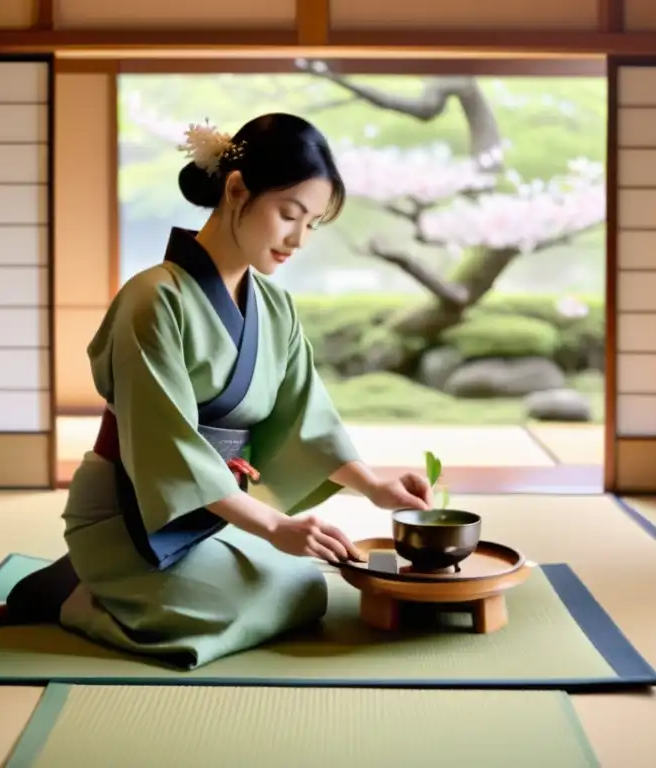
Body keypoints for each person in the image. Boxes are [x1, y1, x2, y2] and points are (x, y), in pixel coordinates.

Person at [57, 112, 434, 670]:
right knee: (267, 596)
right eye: (289, 215)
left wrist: (374, 486)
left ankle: (146, 588)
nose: (298, 240)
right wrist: (276, 526)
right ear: (236, 191)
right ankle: (81, 598)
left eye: (312, 224)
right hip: (132, 515)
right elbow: (167, 449)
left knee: (306, 587)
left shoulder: (274, 307)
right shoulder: (152, 300)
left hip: (212, 511)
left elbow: (304, 418)